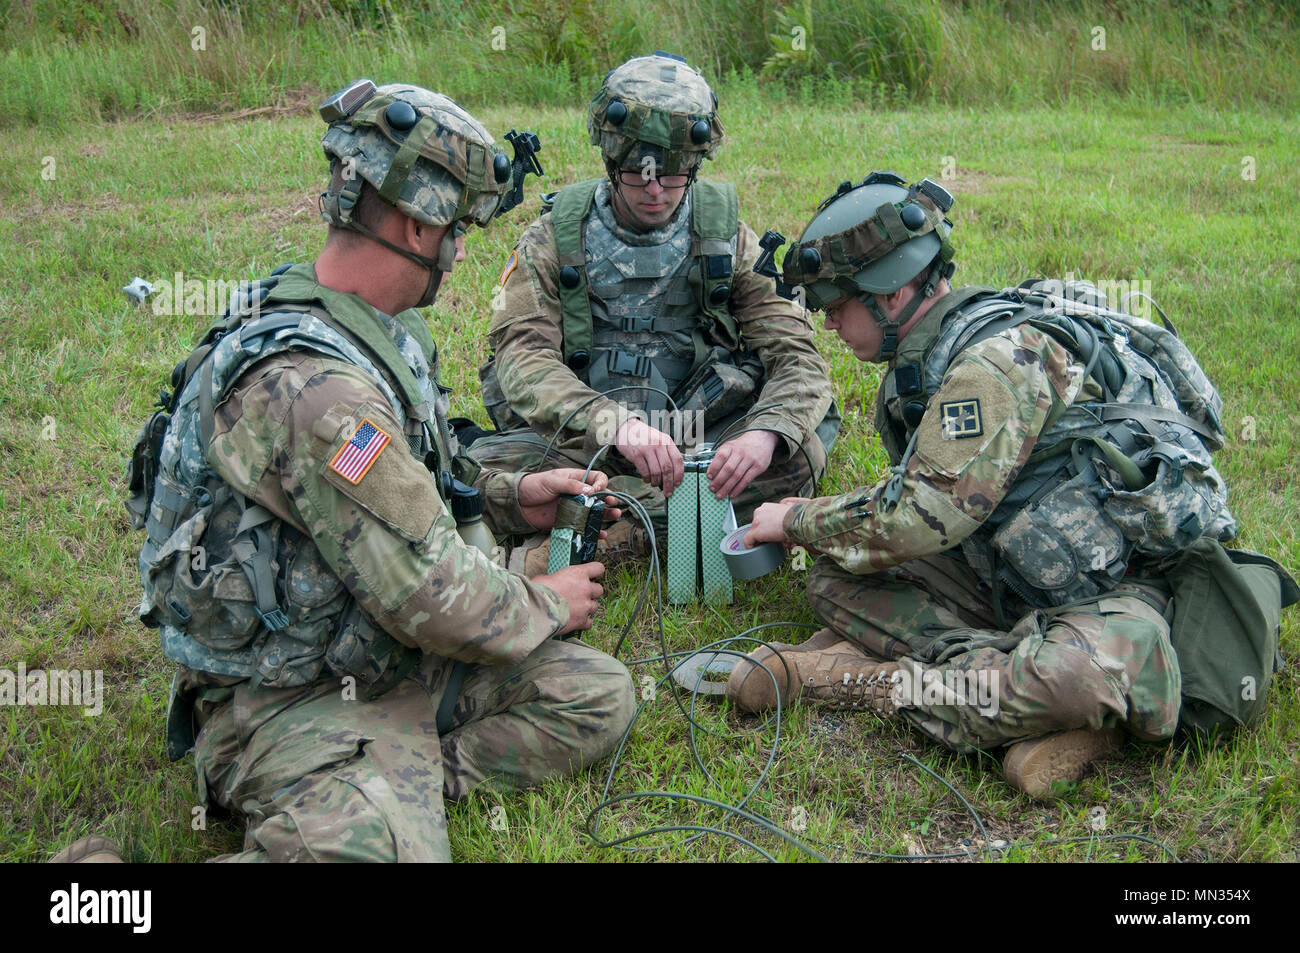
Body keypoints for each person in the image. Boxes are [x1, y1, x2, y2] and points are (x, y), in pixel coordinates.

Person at [56, 81, 634, 863]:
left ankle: (398, 788)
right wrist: (544, 602)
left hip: (385, 656)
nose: (460, 251)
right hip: (292, 693)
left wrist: (511, 496)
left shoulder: (370, 331)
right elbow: (428, 593)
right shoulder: (319, 393)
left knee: (597, 695)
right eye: (458, 227)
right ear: (411, 221)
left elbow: (414, 491)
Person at [726, 170, 1246, 799]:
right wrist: (821, 531)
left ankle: (845, 677)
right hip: (1013, 572)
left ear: (888, 295)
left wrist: (798, 519)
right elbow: (928, 507)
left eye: (836, 306)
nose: (831, 326)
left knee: (1068, 680)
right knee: (835, 576)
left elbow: (917, 516)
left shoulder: (994, 365)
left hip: (1125, 590)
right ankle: (1018, 682)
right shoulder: (942, 347)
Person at [469, 52, 840, 556]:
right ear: (611, 158)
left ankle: (604, 522)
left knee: (799, 455)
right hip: (584, 439)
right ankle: (675, 522)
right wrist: (616, 425)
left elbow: (795, 353)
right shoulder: (554, 238)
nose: (654, 190)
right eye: (637, 173)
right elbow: (522, 360)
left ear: (693, 165)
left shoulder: (723, 234)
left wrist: (764, 435)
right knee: (473, 469)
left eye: (672, 175)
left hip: (697, 434)